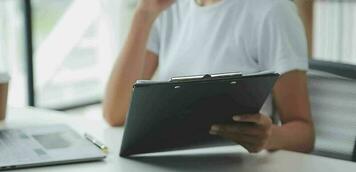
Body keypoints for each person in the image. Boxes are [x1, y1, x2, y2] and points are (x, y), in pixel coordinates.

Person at [103, 0, 315, 153]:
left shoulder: (273, 10)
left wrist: (269, 137)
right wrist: (144, 13)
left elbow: (304, 134)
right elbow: (115, 114)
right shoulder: (167, 8)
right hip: (171, 166)